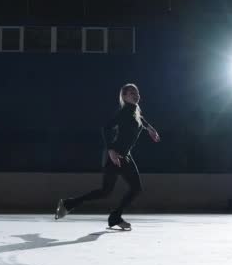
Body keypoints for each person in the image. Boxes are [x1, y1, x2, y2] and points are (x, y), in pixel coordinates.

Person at [55, 83, 160, 230]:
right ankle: (69, 204)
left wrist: (150, 129)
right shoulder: (124, 112)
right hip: (115, 155)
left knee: (133, 188)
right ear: (124, 96)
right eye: (131, 93)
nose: (136, 95)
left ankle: (112, 216)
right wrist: (110, 150)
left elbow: (141, 120)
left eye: (137, 92)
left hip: (126, 156)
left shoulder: (135, 111)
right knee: (106, 192)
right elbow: (106, 127)